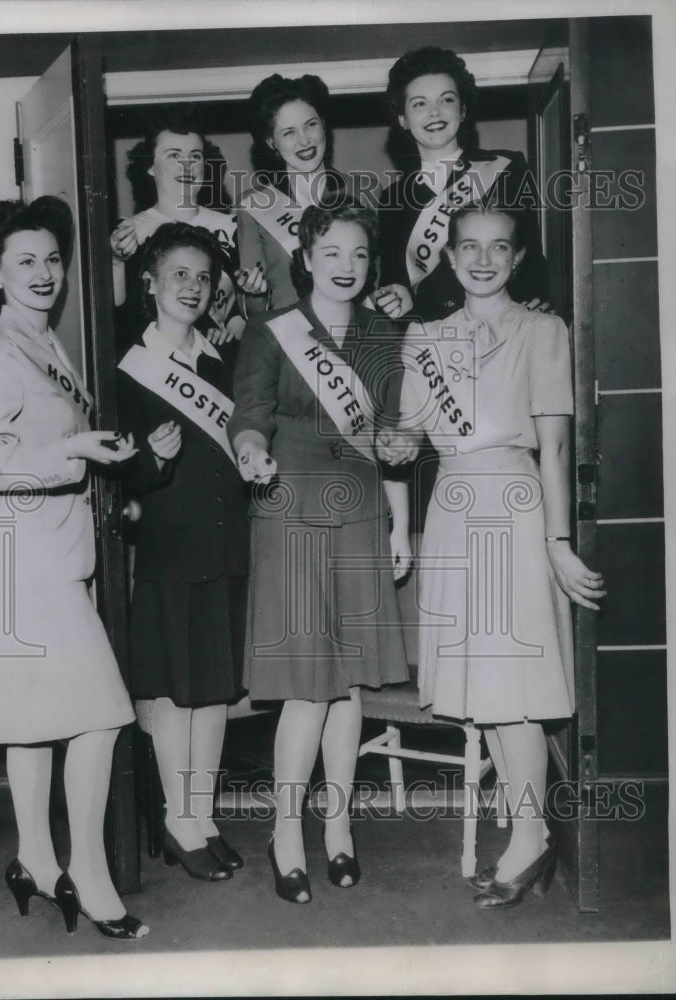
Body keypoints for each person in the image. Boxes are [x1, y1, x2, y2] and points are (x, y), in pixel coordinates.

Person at [379, 205, 606, 909]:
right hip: (451, 507)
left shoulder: (544, 330)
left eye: (498, 248)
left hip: (512, 505)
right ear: (447, 259)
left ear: (516, 258)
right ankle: (528, 828)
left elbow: (557, 445)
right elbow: (408, 435)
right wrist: (392, 445)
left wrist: (558, 542)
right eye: (469, 248)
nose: (483, 260)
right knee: (488, 692)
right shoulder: (423, 336)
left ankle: (530, 832)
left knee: (513, 687)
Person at [0, 196, 148, 940]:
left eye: (52, 259)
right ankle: (90, 876)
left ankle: (36, 862)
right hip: (22, 567)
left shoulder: (48, 345)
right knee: (102, 717)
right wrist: (72, 453)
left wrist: (107, 476)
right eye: (24, 261)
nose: (44, 273)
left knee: (33, 727)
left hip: (53, 557)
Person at [229, 199, 412, 903]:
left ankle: (339, 829)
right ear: (305, 258)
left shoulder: (383, 334)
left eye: (360, 254)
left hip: (362, 511)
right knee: (308, 684)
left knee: (352, 685)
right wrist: (249, 452)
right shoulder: (272, 332)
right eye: (331, 252)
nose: (346, 266)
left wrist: (397, 522)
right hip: (291, 508)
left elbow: (393, 437)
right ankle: (285, 833)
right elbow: (250, 416)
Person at [116, 222, 250, 882]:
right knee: (173, 689)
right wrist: (149, 460)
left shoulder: (222, 362)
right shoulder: (127, 366)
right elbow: (112, 476)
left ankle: (203, 815)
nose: (193, 287)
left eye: (203, 277)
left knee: (214, 690)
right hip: (167, 546)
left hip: (225, 544)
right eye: (179, 274)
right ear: (151, 282)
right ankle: (177, 817)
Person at [379, 46, 550, 322]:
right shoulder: (392, 199)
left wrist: (535, 309)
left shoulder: (506, 169)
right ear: (403, 120)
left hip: (503, 329)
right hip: (435, 341)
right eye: (419, 103)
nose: (434, 112)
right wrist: (397, 298)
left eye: (446, 100)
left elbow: (530, 259)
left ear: (463, 110)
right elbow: (395, 284)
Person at [236, 72, 411, 321]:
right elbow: (253, 313)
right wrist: (254, 291)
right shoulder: (253, 205)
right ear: (271, 142)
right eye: (289, 133)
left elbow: (382, 276)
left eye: (311, 124)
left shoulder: (366, 191)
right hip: (292, 345)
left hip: (357, 336)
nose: (304, 140)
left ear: (324, 124)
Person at [109, 105, 239, 353]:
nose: (187, 166)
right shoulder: (127, 233)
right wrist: (115, 260)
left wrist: (229, 337)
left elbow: (241, 313)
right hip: (153, 369)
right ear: (150, 166)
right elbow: (115, 317)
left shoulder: (233, 228)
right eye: (174, 156)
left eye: (195, 156)